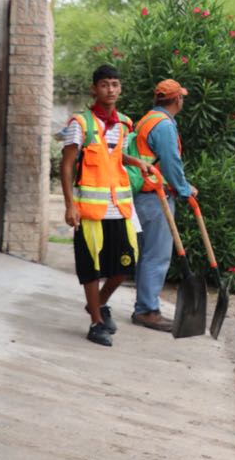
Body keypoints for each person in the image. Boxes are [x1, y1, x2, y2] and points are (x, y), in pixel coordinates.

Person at [60, 65, 147, 347]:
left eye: (115, 84)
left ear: (120, 89)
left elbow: (117, 155)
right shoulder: (80, 123)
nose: (110, 89)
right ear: (94, 89)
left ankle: (98, 304)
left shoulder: (124, 123)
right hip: (89, 208)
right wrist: (69, 205)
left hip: (119, 207)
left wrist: (138, 162)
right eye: (105, 84)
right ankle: (96, 322)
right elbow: (67, 164)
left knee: (124, 266)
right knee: (91, 267)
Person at [129, 79, 198, 333]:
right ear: (177, 100)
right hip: (156, 196)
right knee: (156, 255)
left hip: (143, 194)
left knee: (146, 254)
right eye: (182, 98)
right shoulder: (164, 126)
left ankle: (144, 306)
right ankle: (147, 310)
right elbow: (170, 162)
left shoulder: (147, 119)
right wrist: (183, 189)